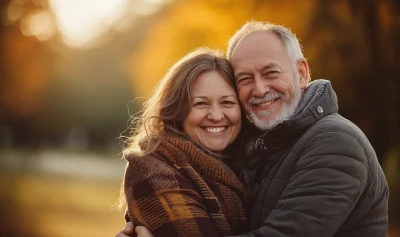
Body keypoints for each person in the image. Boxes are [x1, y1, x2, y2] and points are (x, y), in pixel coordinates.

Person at [117, 21, 389, 237]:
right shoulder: (260, 147)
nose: (259, 89)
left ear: (302, 73)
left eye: (271, 73)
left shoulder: (334, 142)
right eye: (245, 78)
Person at [118, 48, 248, 237]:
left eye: (228, 102)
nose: (217, 116)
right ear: (177, 109)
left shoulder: (251, 164)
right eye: (200, 104)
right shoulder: (151, 169)